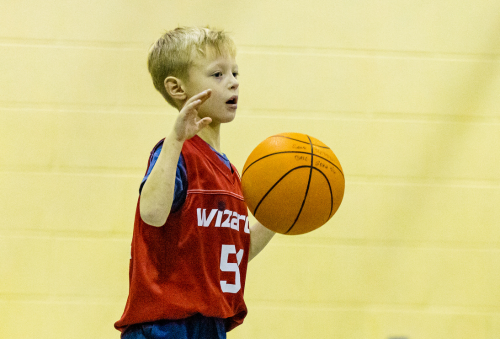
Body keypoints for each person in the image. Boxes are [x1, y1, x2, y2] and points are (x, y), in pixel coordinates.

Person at [114, 26, 275, 339]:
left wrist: (278, 215)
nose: (233, 82)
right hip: (165, 327)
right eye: (217, 74)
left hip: (211, 325)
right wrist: (175, 139)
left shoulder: (230, 171)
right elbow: (153, 212)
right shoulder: (176, 153)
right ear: (177, 88)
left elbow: (235, 251)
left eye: (235, 73)